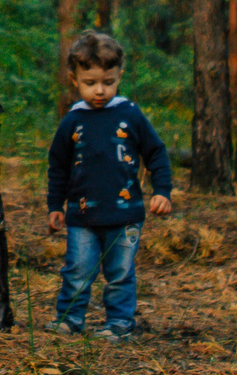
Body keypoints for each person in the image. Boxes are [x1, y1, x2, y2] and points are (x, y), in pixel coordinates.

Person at [43, 29, 176, 338]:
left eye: (108, 82)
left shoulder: (130, 114)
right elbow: (58, 166)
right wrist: (55, 206)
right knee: (77, 270)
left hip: (125, 214)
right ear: (74, 79)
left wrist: (162, 191)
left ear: (119, 76)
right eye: (90, 83)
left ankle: (119, 324)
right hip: (82, 215)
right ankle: (69, 319)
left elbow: (155, 152)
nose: (100, 91)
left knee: (120, 273)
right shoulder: (72, 121)